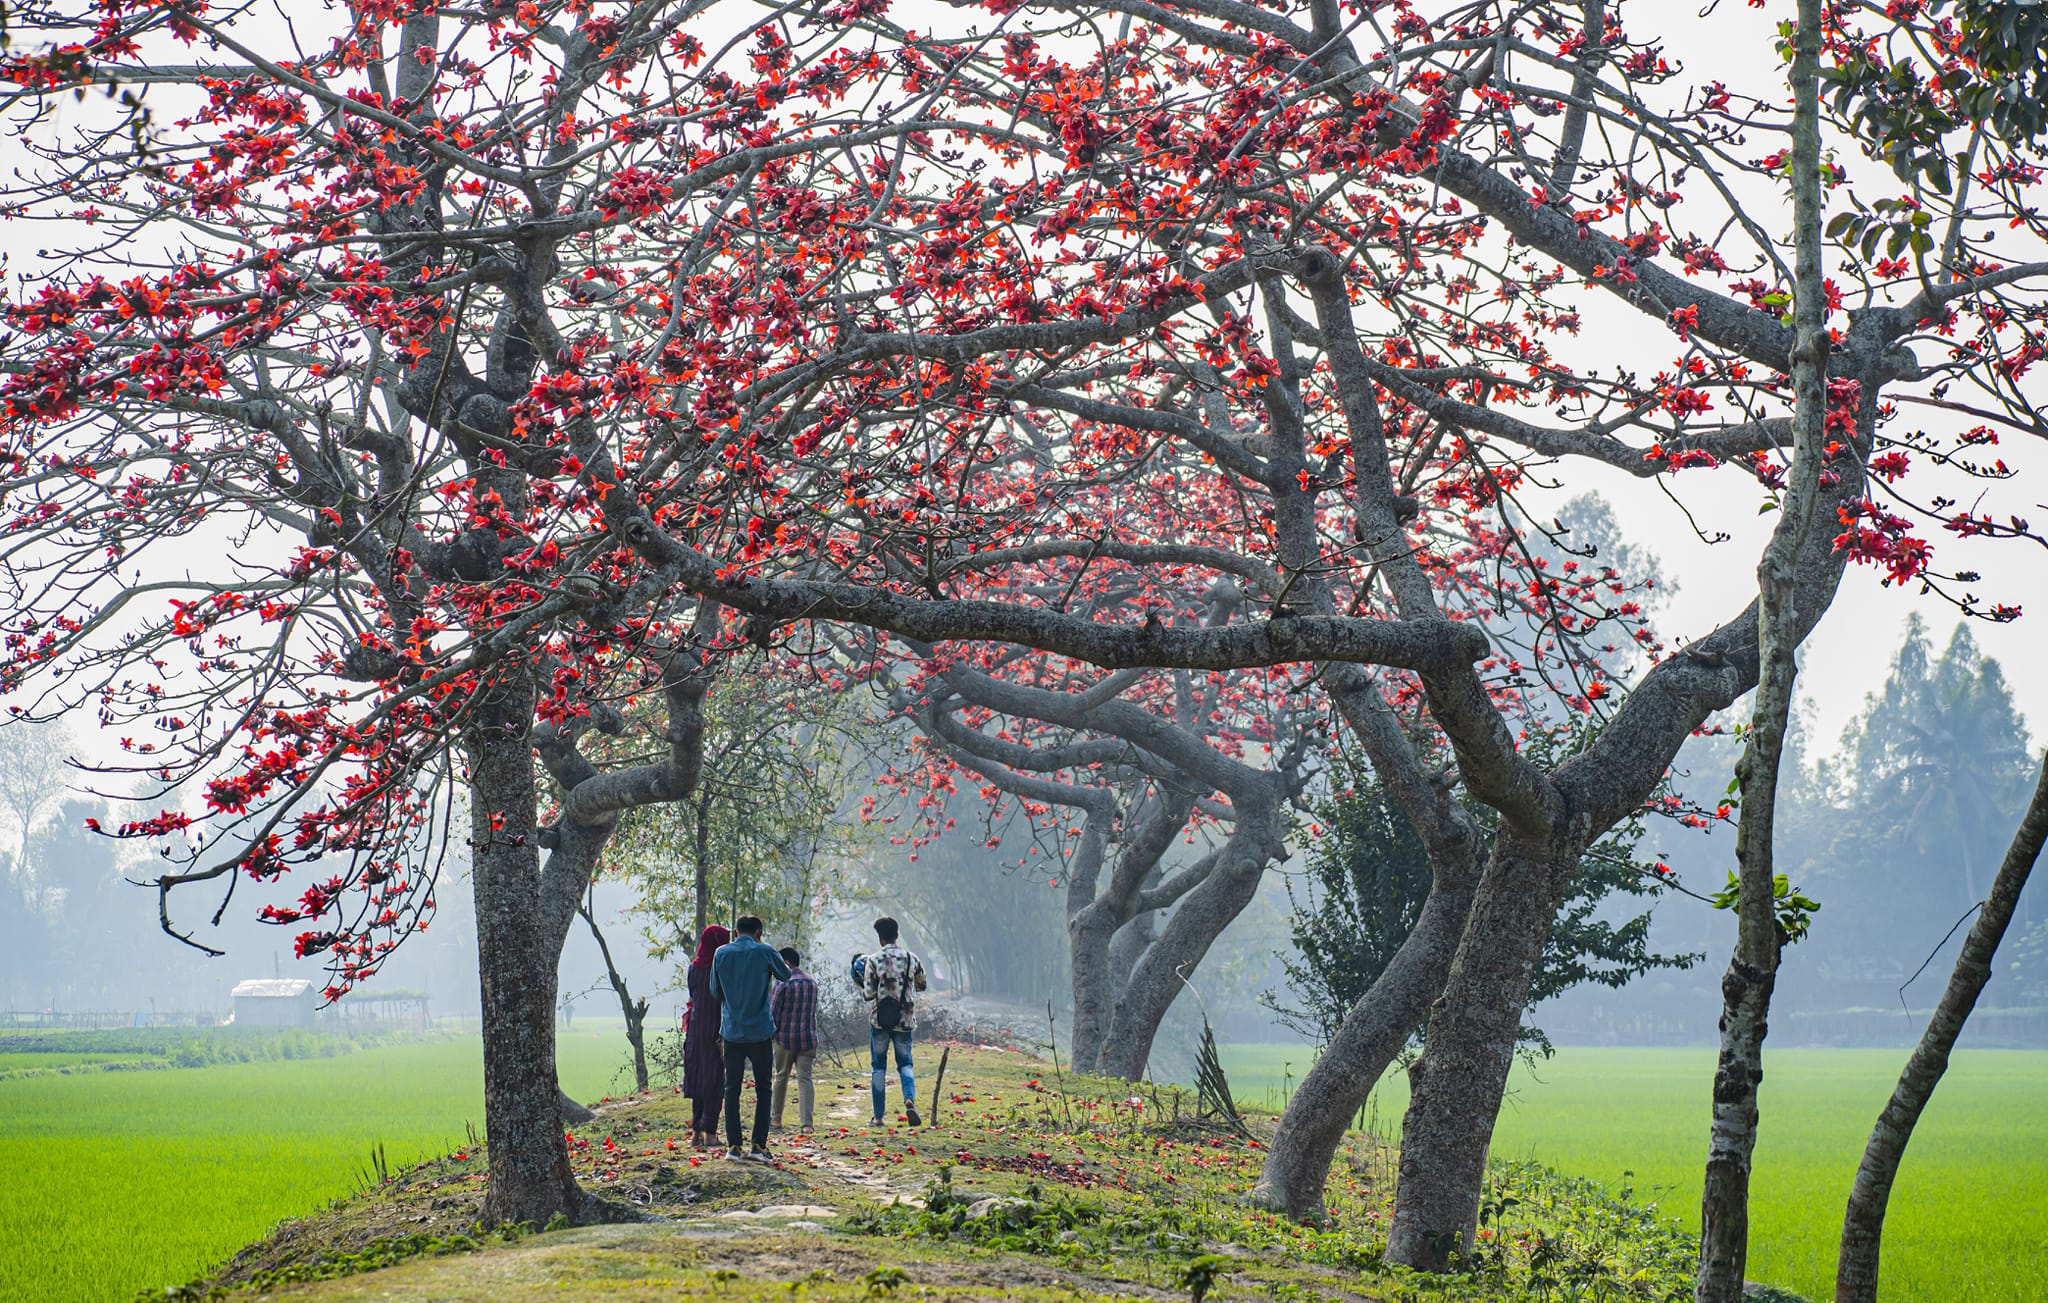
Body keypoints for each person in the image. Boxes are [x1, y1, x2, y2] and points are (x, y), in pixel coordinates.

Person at [708, 914, 790, 1161]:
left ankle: (733, 1146)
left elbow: (714, 990)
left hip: (732, 1031)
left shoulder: (721, 953)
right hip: (760, 1031)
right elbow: (785, 976)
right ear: (758, 932)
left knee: (732, 1088)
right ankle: (758, 1146)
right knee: (764, 1088)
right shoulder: (765, 951)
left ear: (735, 931)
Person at [859, 915, 927, 1128]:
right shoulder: (911, 958)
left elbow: (868, 994)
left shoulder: (873, 960)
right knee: (905, 1063)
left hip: (880, 1021)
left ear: (880, 938)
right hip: (904, 1019)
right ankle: (909, 1099)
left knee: (878, 1067)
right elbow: (922, 985)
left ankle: (878, 1117)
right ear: (897, 935)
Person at [681, 923, 730, 1150]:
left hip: (695, 1027)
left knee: (697, 1077)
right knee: (714, 1079)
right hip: (716, 1027)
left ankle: (695, 1133)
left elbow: (692, 993)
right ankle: (710, 1133)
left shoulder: (694, 967)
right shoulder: (722, 967)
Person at [769, 946, 818, 1134]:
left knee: (781, 1076)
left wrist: (771, 1034)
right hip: (808, 1039)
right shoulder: (812, 982)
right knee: (805, 1079)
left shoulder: (782, 982)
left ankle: (776, 1120)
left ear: (785, 962)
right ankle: (807, 1124)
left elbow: (772, 1012)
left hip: (785, 1039)